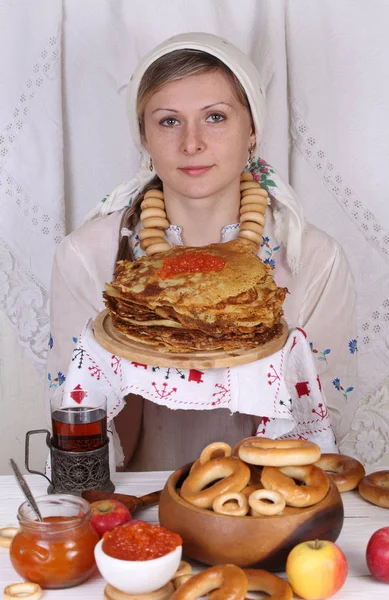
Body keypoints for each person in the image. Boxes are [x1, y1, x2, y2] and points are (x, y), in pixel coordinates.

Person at [46, 33, 357, 471]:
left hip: (267, 506)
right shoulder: (88, 255)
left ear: (252, 131)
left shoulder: (313, 259)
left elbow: (327, 416)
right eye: (169, 121)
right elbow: (74, 414)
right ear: (143, 135)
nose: (192, 143)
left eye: (215, 117)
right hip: (134, 509)